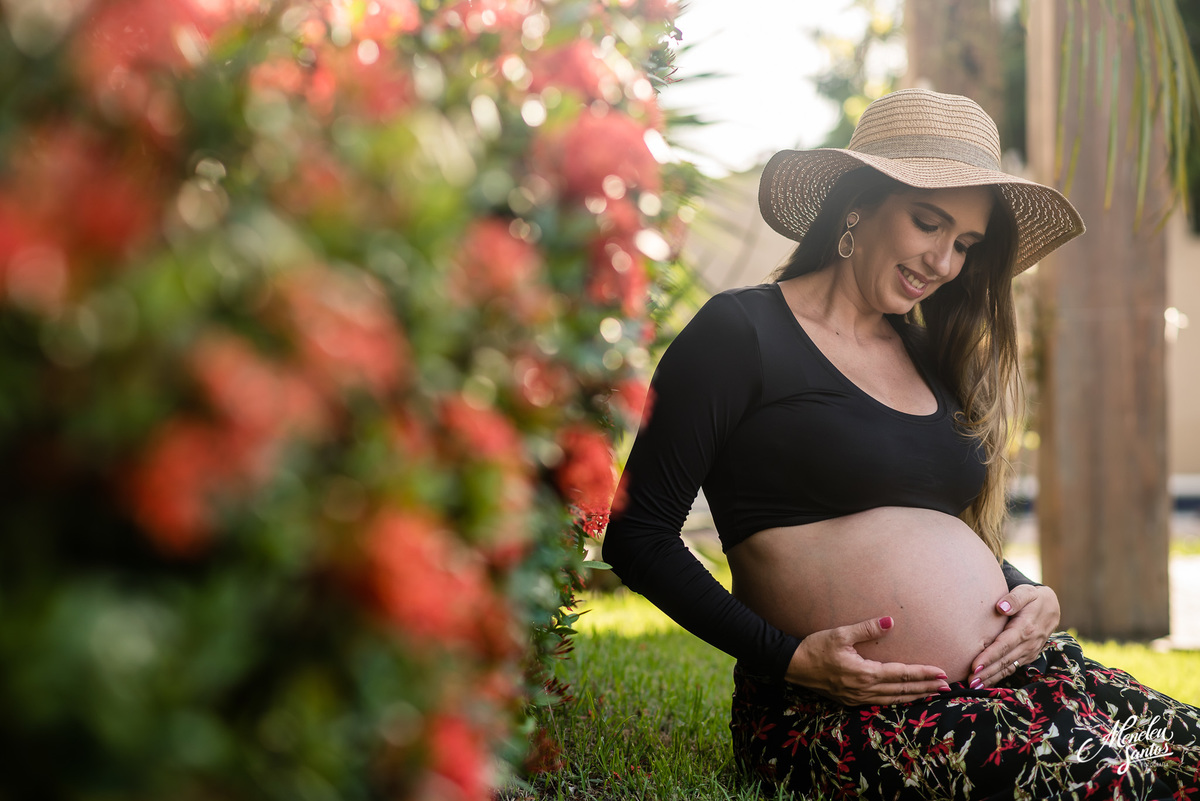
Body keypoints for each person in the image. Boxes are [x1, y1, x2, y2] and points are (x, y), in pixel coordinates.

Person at [601, 88, 1200, 799]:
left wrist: (1024, 591)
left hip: (1015, 681)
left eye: (966, 245)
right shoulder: (741, 333)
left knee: (1184, 751)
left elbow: (928, 522)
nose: (946, 262)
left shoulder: (924, 353)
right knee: (1119, 783)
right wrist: (789, 658)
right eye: (929, 224)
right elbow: (637, 535)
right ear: (860, 202)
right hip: (848, 712)